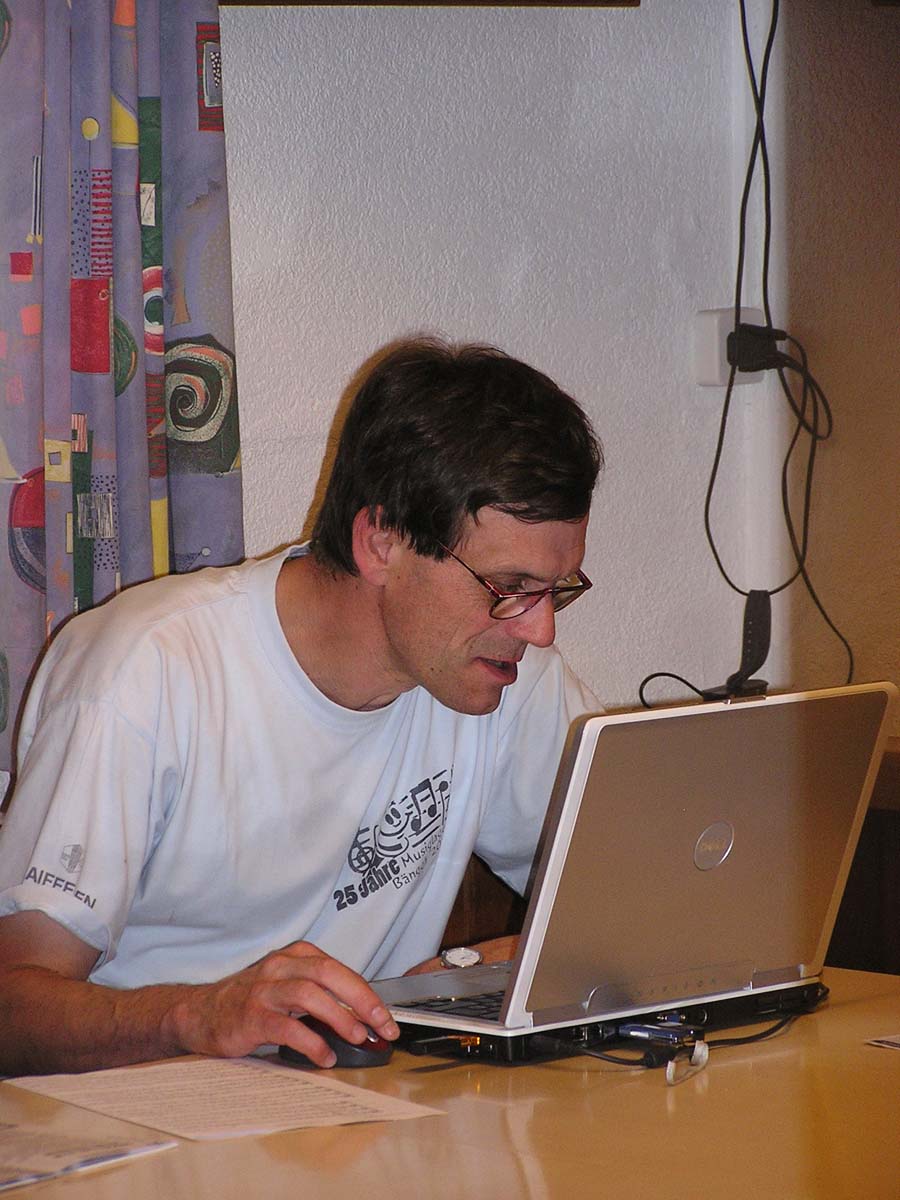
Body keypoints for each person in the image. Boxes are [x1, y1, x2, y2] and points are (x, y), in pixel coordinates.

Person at [0, 337, 602, 1075]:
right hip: (140, 1114)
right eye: (509, 587)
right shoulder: (144, 672)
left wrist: (512, 961)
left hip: (358, 1108)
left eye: (556, 591)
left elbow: (646, 890)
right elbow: (11, 1006)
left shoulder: (503, 672)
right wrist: (196, 1015)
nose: (539, 630)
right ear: (381, 541)